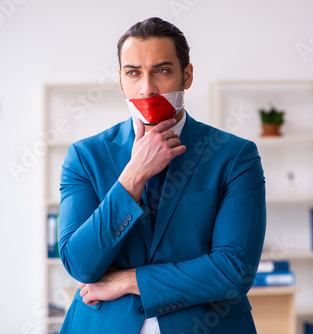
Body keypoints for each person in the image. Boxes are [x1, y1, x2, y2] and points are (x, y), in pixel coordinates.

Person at [58, 17, 266, 334]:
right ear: (120, 81)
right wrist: (133, 177)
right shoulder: (85, 157)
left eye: (162, 71)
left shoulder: (234, 156)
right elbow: (81, 264)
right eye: (133, 73)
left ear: (188, 75)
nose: (147, 88)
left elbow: (233, 271)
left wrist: (129, 280)